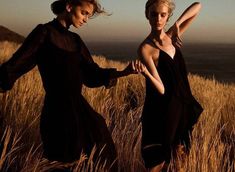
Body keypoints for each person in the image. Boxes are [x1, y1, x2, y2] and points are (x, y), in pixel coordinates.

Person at [0, 0, 136, 171]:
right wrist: (3, 81)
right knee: (64, 163)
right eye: (84, 13)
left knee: (102, 148)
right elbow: (18, 62)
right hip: (56, 112)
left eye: (89, 15)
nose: (86, 19)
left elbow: (92, 74)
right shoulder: (44, 32)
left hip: (80, 110)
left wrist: (124, 72)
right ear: (69, 6)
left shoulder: (76, 40)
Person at [135, 0, 203, 171]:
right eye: (153, 14)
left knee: (180, 158)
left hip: (182, 104)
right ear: (147, 16)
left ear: (168, 17)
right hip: (161, 108)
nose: (158, 18)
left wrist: (178, 24)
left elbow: (198, 6)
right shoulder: (145, 48)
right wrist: (146, 73)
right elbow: (161, 88)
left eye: (163, 15)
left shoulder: (172, 35)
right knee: (157, 162)